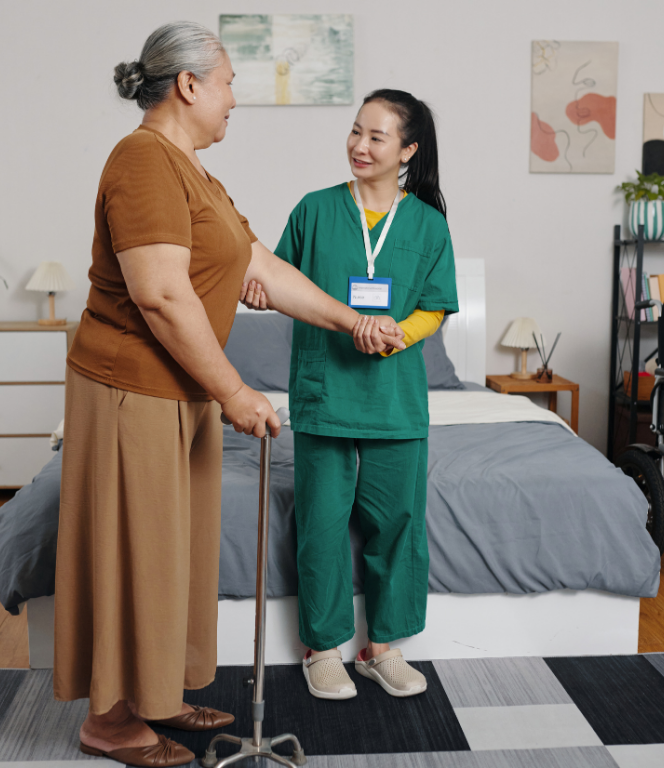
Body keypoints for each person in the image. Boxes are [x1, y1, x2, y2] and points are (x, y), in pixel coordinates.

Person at [54, 23, 405, 767]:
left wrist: (352, 323)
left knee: (173, 553)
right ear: (188, 86)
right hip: (130, 388)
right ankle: (111, 722)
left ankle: (158, 695)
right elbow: (160, 296)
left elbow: (263, 269)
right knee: (135, 552)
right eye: (229, 83)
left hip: (182, 392)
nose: (234, 99)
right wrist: (238, 390)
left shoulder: (195, 173)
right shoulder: (143, 161)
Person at [242, 89, 458, 701]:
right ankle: (323, 649)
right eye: (355, 132)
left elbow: (436, 306)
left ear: (407, 151)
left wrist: (396, 336)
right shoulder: (314, 211)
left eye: (377, 137)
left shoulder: (426, 223)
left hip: (394, 399)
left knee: (397, 524)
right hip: (324, 393)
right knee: (321, 524)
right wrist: (260, 292)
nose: (360, 146)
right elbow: (277, 280)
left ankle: (380, 648)